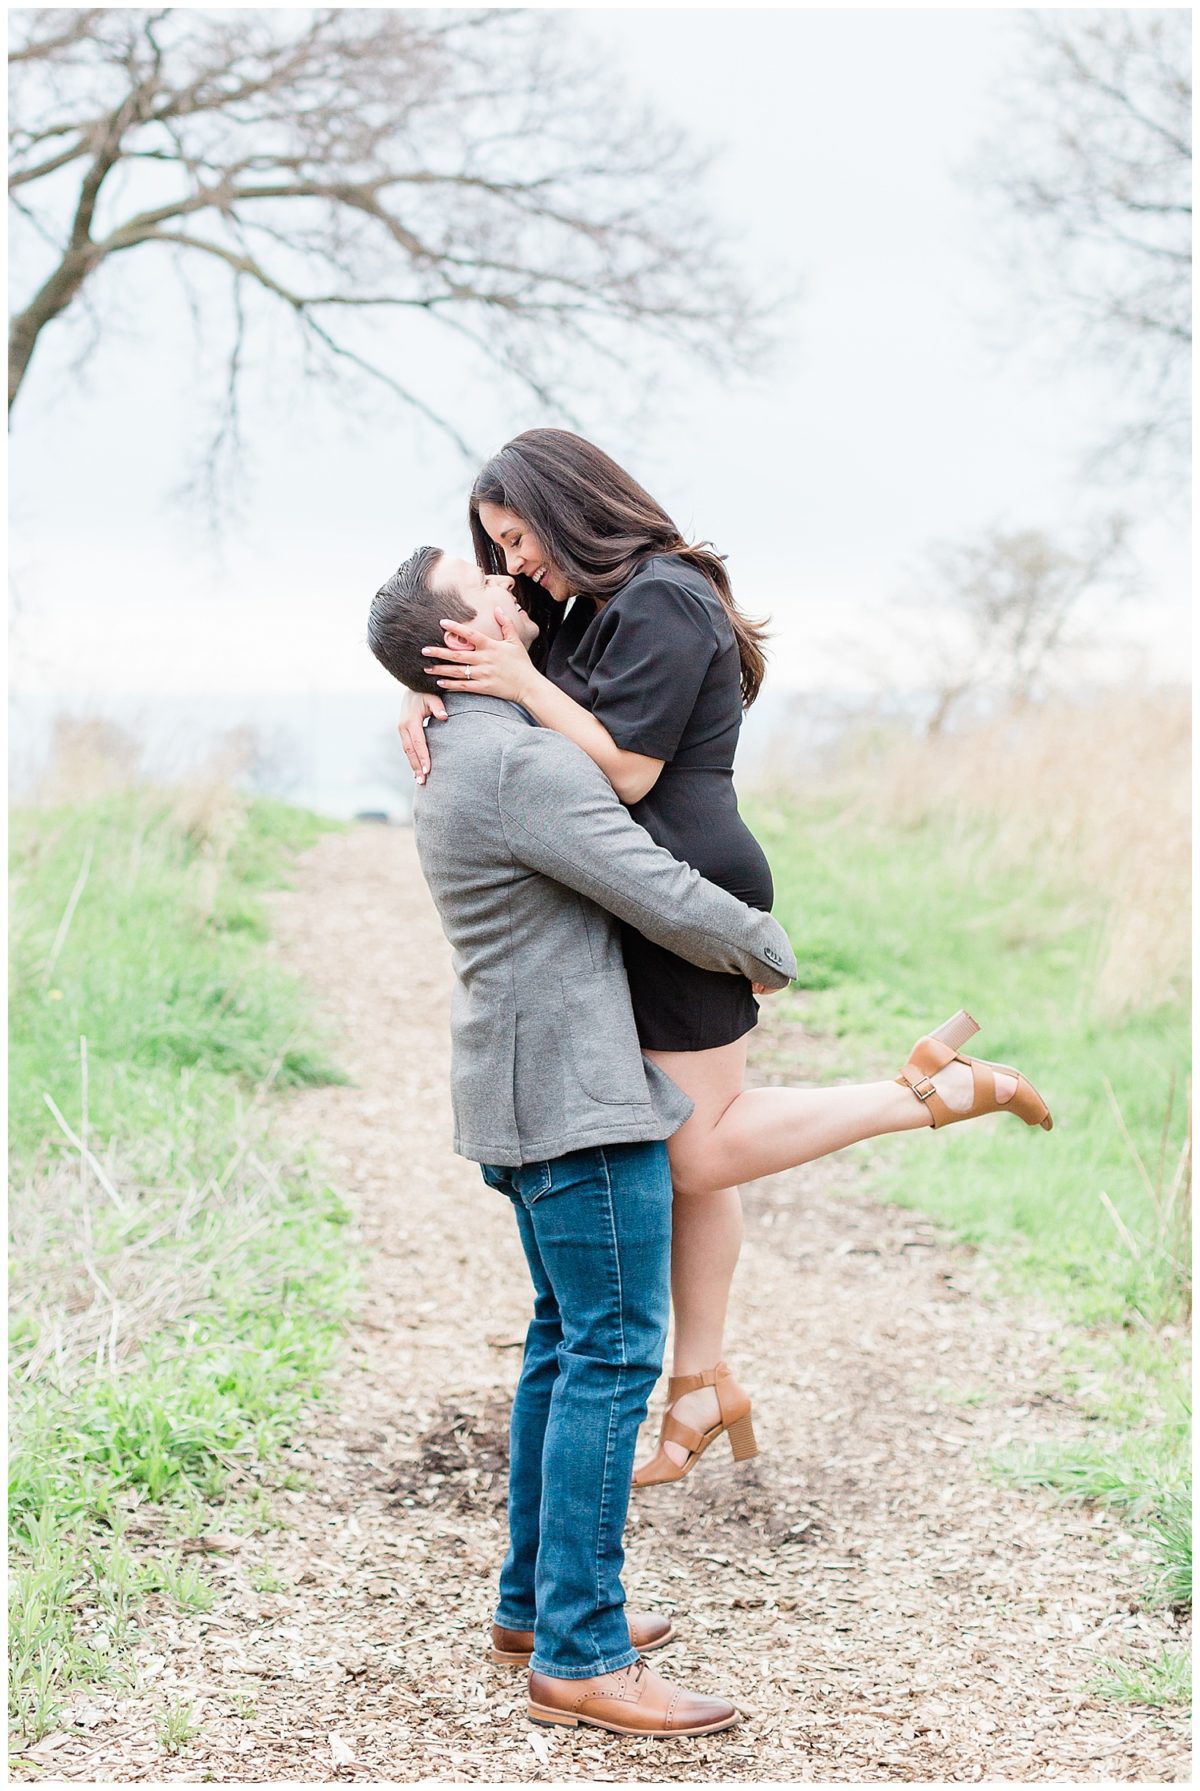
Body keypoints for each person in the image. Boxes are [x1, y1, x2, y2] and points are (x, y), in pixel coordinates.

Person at [397, 430, 1053, 1489]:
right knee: (692, 1141)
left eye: (520, 539)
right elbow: (521, 694)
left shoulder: (665, 597)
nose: (516, 565)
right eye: (499, 550)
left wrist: (515, 674)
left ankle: (931, 1092)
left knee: (696, 1152)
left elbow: (623, 771)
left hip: (688, 897)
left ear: (568, 508)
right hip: (634, 894)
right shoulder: (581, 606)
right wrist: (434, 692)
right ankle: (698, 1380)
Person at [368, 546, 800, 1737]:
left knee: (567, 1347)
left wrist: (421, 686)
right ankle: (582, 1652)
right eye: (492, 588)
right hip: (577, 1103)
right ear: (462, 646)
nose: (516, 594)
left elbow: (499, 665)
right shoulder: (516, 765)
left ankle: (532, 1606)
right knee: (611, 1358)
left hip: (522, 1094)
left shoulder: (458, 743)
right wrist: (767, 951)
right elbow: (656, 889)